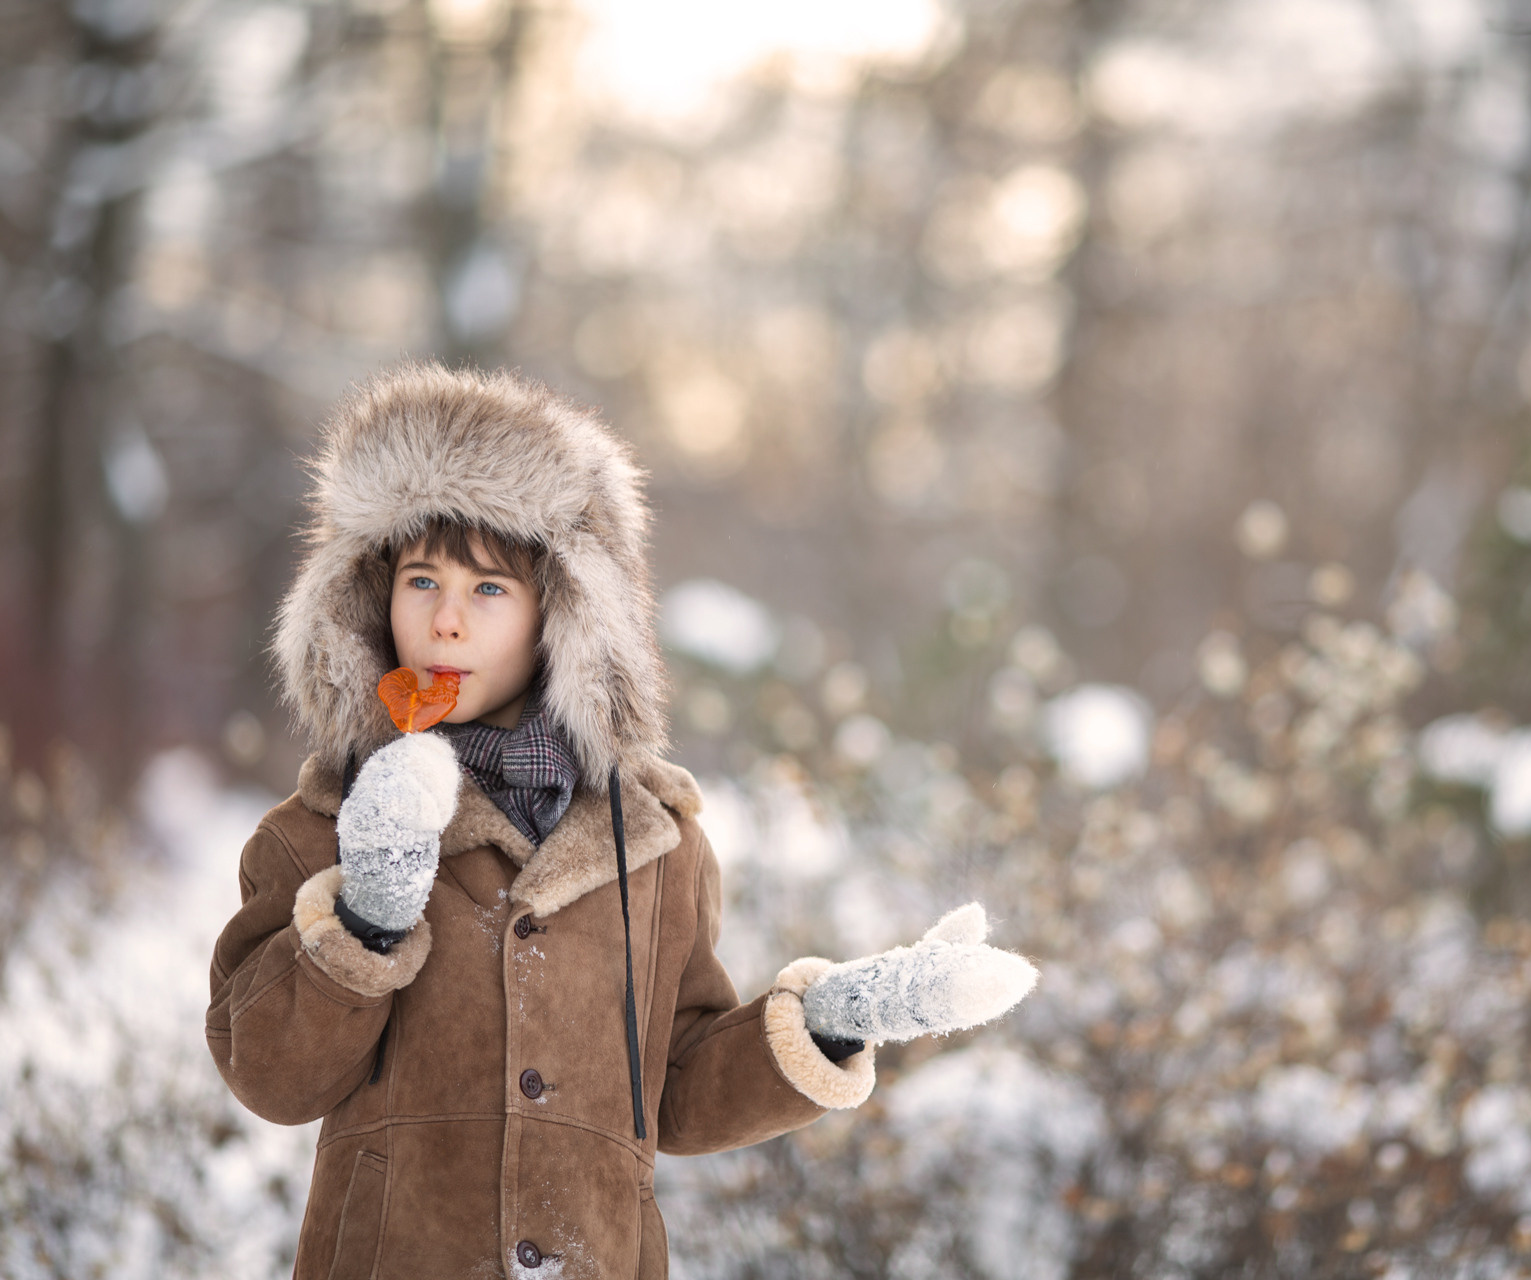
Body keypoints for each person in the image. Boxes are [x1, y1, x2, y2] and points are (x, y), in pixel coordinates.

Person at [205, 363, 1036, 1279]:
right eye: (419, 580)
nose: (445, 622)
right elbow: (272, 1079)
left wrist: (841, 1018)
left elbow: (675, 1088)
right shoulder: (313, 830)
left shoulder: (651, 844)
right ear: (369, 598)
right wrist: (365, 916)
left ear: (560, 615)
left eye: (489, 590)